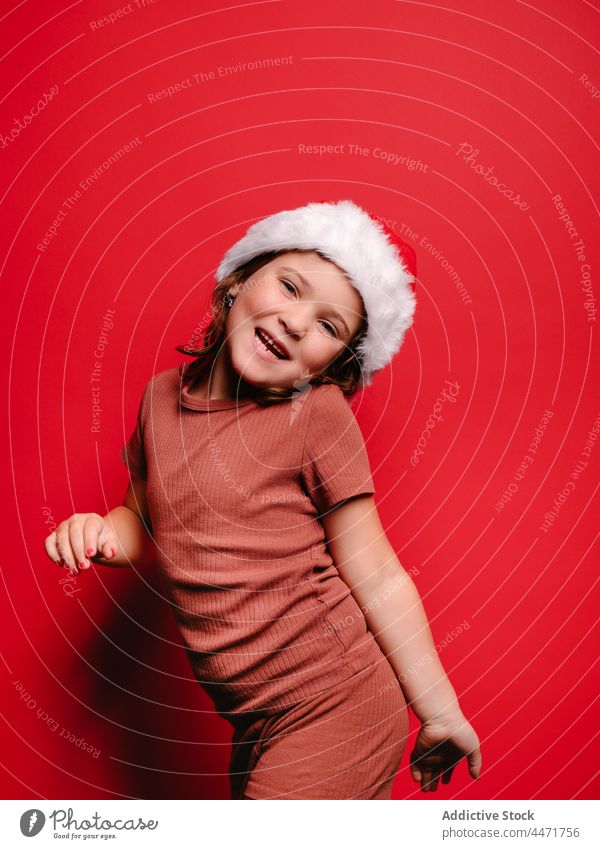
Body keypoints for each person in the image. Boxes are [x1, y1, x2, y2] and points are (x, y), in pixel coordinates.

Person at [44, 199, 481, 800]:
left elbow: (376, 571)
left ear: (337, 364)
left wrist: (438, 711)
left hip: (336, 701)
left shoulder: (316, 417)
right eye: (289, 286)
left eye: (329, 325)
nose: (298, 322)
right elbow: (140, 525)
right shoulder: (160, 400)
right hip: (254, 720)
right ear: (237, 283)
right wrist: (96, 531)